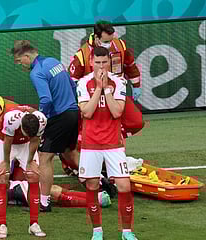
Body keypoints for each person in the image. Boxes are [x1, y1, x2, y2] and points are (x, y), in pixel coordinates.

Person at [11, 40, 79, 211]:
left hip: (59, 116)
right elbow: (72, 85)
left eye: (20, 62)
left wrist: (41, 118)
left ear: (26, 56)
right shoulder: (54, 62)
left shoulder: (36, 72)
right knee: (71, 153)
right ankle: (101, 182)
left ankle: (43, 202)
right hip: (73, 112)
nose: (21, 65)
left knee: (44, 157)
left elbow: (46, 99)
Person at [77, 47, 137, 240]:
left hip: (113, 144)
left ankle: (127, 232)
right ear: (91, 62)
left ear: (109, 63)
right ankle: (97, 231)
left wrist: (106, 90)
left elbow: (117, 112)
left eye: (105, 63)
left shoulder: (119, 82)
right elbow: (86, 112)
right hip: (91, 144)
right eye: (98, 62)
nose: (101, 66)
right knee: (92, 186)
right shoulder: (83, 83)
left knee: (124, 186)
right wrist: (99, 89)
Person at [69, 20, 143, 139]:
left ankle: (116, 136)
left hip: (116, 92)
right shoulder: (83, 54)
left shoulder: (119, 45)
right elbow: (72, 81)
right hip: (94, 95)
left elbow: (130, 65)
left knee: (136, 122)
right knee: (81, 133)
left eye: (111, 39)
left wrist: (136, 86)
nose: (110, 44)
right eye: (106, 42)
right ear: (97, 38)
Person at [0, 94, 48, 238]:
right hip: (4, 141)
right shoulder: (11, 119)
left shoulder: (42, 121)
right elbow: (8, 141)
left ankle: (34, 223)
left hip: (25, 145)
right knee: (2, 177)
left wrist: (29, 161)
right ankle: (2, 224)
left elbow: (34, 140)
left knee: (33, 175)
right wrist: (7, 162)